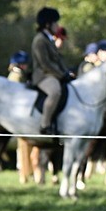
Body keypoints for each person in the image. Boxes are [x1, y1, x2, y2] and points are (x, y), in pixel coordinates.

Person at [31, 7, 70, 135]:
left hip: (52, 74)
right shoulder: (39, 40)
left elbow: (58, 60)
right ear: (48, 24)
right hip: (43, 76)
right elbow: (45, 63)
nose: (58, 26)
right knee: (55, 91)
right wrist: (61, 75)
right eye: (55, 23)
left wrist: (67, 73)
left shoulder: (49, 39)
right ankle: (45, 124)